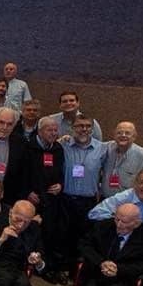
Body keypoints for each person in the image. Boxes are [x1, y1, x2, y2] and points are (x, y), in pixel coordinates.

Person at [60, 113, 109, 267]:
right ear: (73, 128)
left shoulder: (102, 149)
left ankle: (80, 270)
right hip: (66, 200)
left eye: (88, 126)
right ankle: (64, 266)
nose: (84, 129)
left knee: (86, 237)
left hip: (88, 201)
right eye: (80, 126)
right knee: (65, 235)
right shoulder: (63, 145)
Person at [25, 116, 68, 281]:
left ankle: (47, 266)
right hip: (32, 199)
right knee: (33, 232)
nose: (53, 133)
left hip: (51, 199)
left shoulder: (57, 149)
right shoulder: (28, 147)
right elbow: (20, 173)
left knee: (50, 232)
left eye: (55, 130)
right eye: (49, 130)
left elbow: (63, 172)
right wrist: (27, 191)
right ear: (40, 131)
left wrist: (60, 185)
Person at [101, 122, 143, 197]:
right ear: (114, 135)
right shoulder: (107, 148)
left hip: (127, 203)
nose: (123, 135)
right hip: (105, 200)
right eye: (119, 133)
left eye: (127, 133)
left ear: (134, 137)